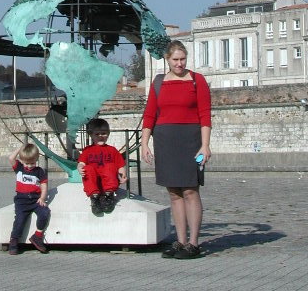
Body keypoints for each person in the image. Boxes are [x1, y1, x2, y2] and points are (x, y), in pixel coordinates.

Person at [141, 39, 211, 259]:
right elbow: (150, 114)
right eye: (175, 60)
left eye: (183, 59)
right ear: (167, 59)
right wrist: (144, 143)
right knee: (174, 192)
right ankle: (180, 241)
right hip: (165, 141)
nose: (180, 64)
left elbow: (205, 115)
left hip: (191, 140)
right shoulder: (159, 82)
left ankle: (193, 243)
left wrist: (205, 145)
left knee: (190, 190)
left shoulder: (197, 80)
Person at [77, 118, 128, 215]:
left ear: (108, 134)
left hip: (109, 182)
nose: (100, 136)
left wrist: (123, 174)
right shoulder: (87, 150)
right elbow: (82, 162)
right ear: (91, 135)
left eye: (103, 133)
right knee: (87, 168)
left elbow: (120, 165)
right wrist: (80, 168)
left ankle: (109, 196)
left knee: (110, 166)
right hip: (94, 181)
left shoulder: (112, 150)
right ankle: (94, 198)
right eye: (97, 134)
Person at [8, 142, 50, 255]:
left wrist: (42, 198)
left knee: (44, 212)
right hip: (21, 201)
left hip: (35, 200)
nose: (30, 166)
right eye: (27, 163)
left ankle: (37, 236)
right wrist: (20, 148)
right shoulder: (19, 168)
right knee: (20, 219)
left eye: (32, 163)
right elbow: (11, 158)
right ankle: (14, 240)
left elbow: (44, 185)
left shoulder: (39, 171)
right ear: (22, 160)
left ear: (36, 159)